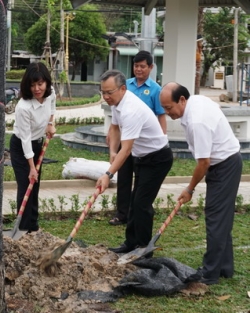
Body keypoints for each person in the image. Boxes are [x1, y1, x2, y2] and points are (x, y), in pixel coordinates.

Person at [160, 82, 242, 285]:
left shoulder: (197, 121)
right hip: (224, 162)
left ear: (181, 100)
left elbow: (203, 162)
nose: (167, 112)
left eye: (169, 107)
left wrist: (189, 189)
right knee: (221, 219)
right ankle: (224, 268)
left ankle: (209, 273)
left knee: (215, 218)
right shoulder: (195, 101)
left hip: (224, 165)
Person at [96, 69, 173, 255]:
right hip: (142, 157)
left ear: (122, 88)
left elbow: (127, 149)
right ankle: (131, 243)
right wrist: (112, 151)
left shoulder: (131, 110)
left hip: (158, 158)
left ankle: (144, 249)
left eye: (109, 92)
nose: (106, 96)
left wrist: (108, 174)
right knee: (134, 202)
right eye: (103, 92)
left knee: (141, 204)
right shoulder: (117, 103)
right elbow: (114, 128)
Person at [108, 50, 167, 226]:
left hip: (144, 146)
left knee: (141, 187)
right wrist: (112, 145)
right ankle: (122, 213)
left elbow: (160, 115)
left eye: (142, 66)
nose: (139, 69)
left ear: (151, 67)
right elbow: (116, 123)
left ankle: (140, 211)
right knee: (124, 178)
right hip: (127, 140)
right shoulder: (124, 86)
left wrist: (162, 138)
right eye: (136, 66)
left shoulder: (156, 90)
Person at [10, 62, 56, 232]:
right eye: (32, 85)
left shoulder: (50, 94)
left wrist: (50, 124)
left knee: (35, 186)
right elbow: (25, 139)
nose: (37, 89)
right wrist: (31, 167)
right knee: (26, 185)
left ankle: (33, 226)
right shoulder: (23, 107)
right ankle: (23, 229)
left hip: (38, 144)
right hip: (22, 147)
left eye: (40, 84)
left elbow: (52, 106)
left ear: (46, 83)